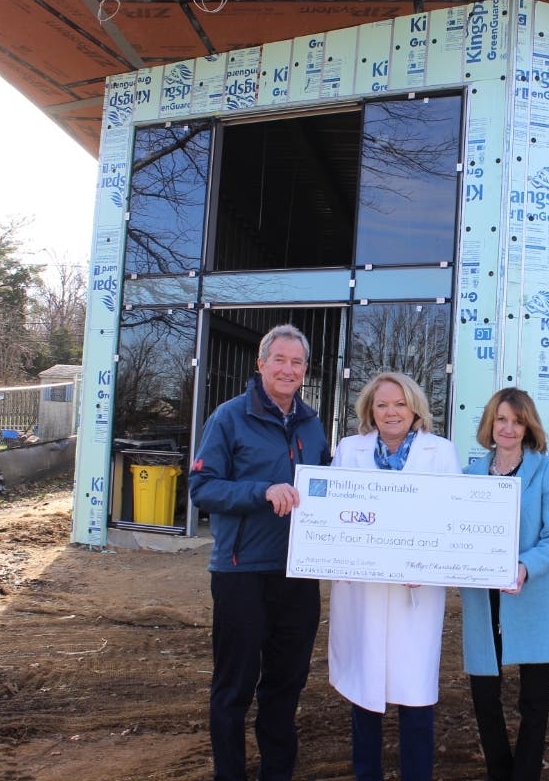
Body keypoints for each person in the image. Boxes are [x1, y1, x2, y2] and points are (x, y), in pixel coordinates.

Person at [189, 323, 331, 781]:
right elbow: (202, 487)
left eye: (297, 362)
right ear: (261, 364)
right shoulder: (229, 418)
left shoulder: (312, 424)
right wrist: (261, 491)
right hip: (242, 573)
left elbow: (330, 489)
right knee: (234, 688)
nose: (288, 369)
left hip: (297, 573)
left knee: (285, 688)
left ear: (305, 370)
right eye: (280, 360)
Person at [328, 372, 461, 781]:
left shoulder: (440, 452)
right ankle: (366, 773)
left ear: (414, 409)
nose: (391, 412)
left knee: (415, 693)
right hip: (362, 591)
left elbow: (452, 519)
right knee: (364, 690)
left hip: (414, 595)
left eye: (400, 404)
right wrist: (337, 558)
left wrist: (428, 563)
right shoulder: (349, 449)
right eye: (382, 404)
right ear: (370, 410)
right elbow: (333, 513)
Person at [460, 387, 549, 781]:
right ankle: (499, 772)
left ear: (529, 427)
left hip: (531, 595)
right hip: (483, 599)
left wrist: (525, 567)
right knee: (485, 697)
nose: (508, 428)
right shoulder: (470, 476)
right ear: (490, 423)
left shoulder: (548, 471)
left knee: (534, 701)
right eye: (501, 419)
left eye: (517, 421)